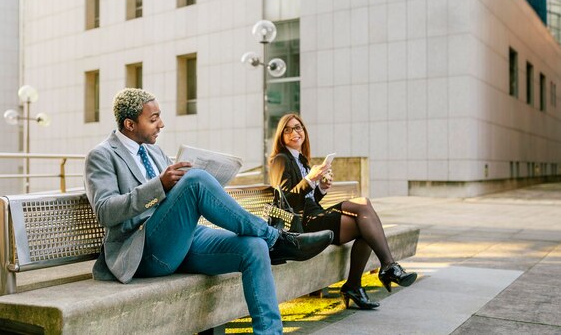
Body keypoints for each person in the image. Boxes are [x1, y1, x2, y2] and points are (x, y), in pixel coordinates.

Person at [84, 88, 334, 334]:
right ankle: (277, 238)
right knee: (195, 181)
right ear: (129, 124)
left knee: (254, 247)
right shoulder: (102, 156)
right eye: (153, 119)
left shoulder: (154, 151)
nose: (161, 124)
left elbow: (172, 201)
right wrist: (159, 185)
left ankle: (269, 331)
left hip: (183, 240)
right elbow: (106, 211)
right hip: (142, 252)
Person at [268, 113, 417, 310]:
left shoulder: (302, 160)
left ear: (304, 131)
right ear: (281, 136)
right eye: (287, 130)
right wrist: (310, 180)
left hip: (315, 215)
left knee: (366, 222)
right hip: (303, 225)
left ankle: (362, 282)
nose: (294, 132)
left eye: (298, 127)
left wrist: (320, 188)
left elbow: (307, 199)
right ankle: (383, 270)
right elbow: (286, 201)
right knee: (364, 210)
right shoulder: (281, 159)